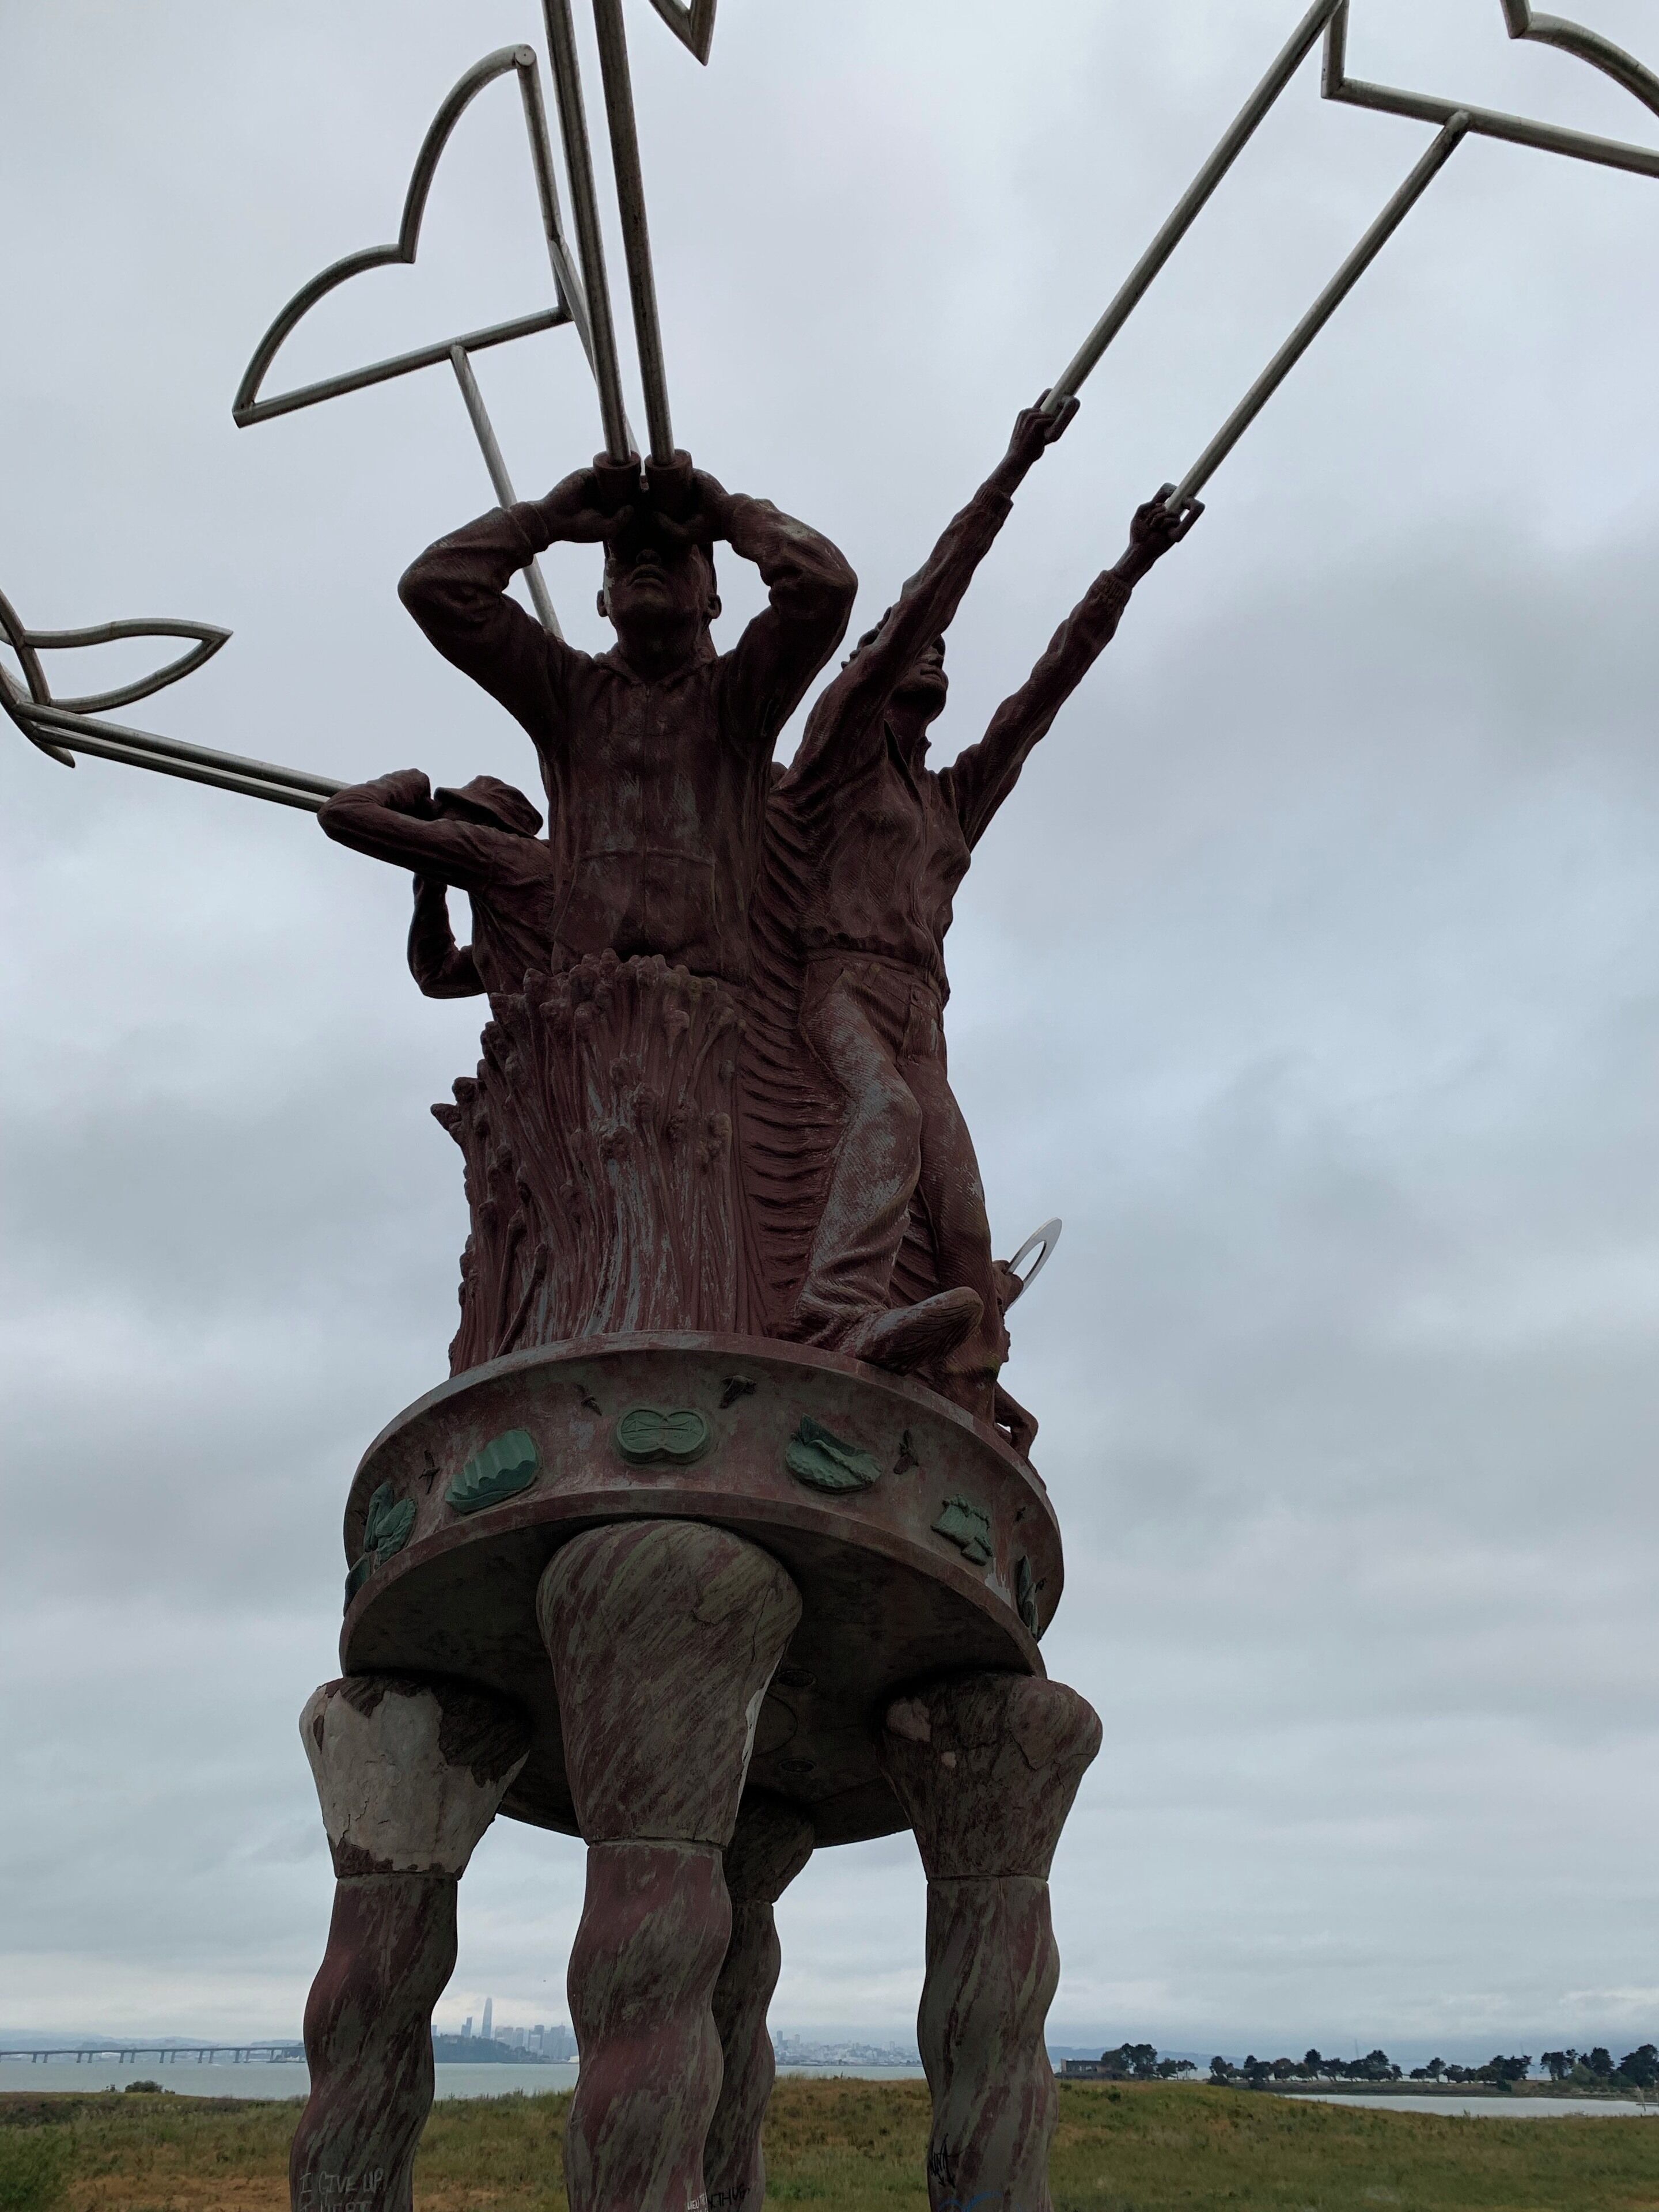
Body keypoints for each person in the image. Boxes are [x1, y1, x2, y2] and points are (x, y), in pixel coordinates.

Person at [777, 397, 1200, 1413]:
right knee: (885, 1116)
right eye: (905, 647)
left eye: (937, 654)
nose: (933, 656)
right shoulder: (835, 766)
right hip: (844, 984)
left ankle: (969, 1384)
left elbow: (1043, 696)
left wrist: (1129, 569)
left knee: (965, 1215)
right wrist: (1013, 471)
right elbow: (922, 613)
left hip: (925, 1009)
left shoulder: (950, 802)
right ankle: (838, 1316)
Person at [396, 458, 856, 988]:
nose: (644, 555)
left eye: (673, 551)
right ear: (602, 600)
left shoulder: (738, 698)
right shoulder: (565, 693)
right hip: (585, 1002)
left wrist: (731, 514)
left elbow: (826, 587)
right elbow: (433, 586)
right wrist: (546, 520)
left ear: (712, 599)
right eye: (621, 553)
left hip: (708, 1009)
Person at [316, 769, 557, 998]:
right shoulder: (512, 912)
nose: (440, 819)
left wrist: (407, 783)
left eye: (451, 811)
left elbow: (341, 812)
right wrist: (430, 873)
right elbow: (436, 977)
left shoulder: (502, 850)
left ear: (486, 821)